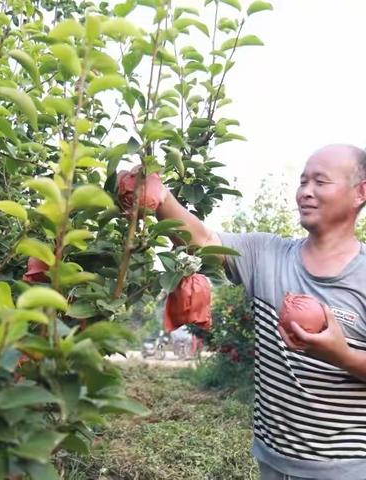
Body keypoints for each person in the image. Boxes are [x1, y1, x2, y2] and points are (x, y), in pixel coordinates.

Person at [155, 144, 366, 480]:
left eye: (320, 182)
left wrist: (340, 355)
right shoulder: (266, 254)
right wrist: (160, 196)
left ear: (360, 192)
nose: (305, 192)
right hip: (271, 462)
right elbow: (202, 238)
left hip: (345, 469)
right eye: (302, 182)